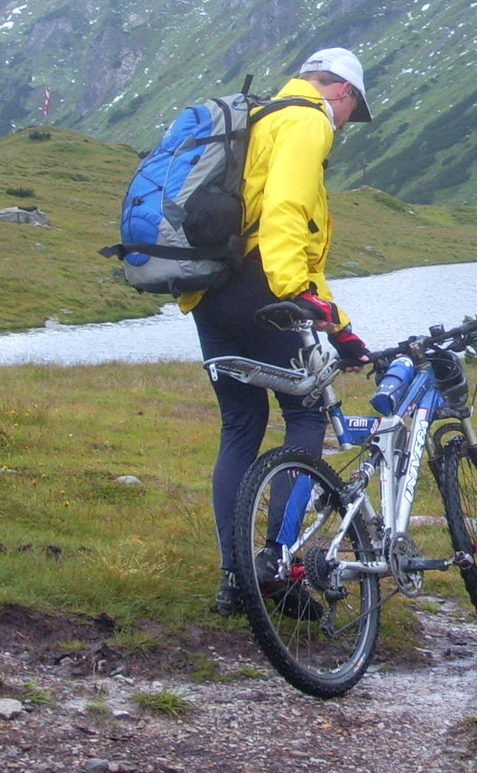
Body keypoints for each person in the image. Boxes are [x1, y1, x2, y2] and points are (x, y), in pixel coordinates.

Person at [180, 46, 374, 615]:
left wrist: (340, 328)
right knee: (308, 414)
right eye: (351, 109)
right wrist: (294, 294)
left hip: (212, 292)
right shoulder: (307, 121)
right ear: (341, 91)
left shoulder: (260, 118)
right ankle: (277, 567)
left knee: (240, 424)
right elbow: (287, 213)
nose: (346, 122)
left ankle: (234, 578)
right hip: (263, 288)